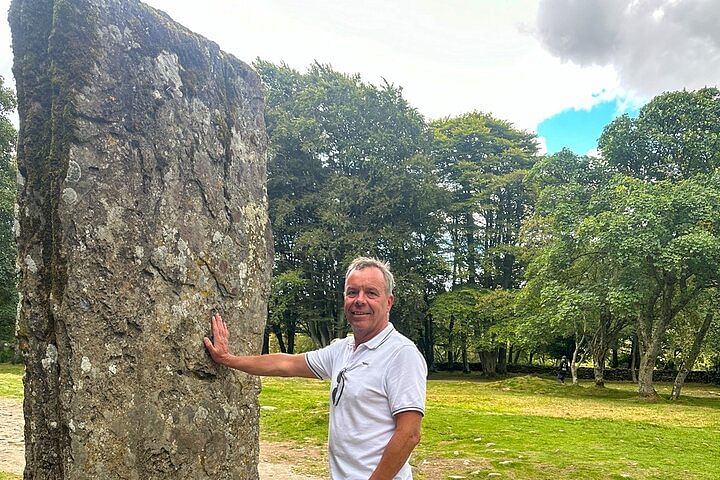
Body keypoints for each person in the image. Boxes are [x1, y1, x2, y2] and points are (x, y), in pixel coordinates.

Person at [204, 257, 427, 480]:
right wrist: (228, 359)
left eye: (371, 293)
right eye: (352, 292)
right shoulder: (343, 350)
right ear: (344, 299)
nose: (359, 300)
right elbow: (285, 364)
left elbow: (409, 434)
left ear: (388, 302)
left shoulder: (401, 354)